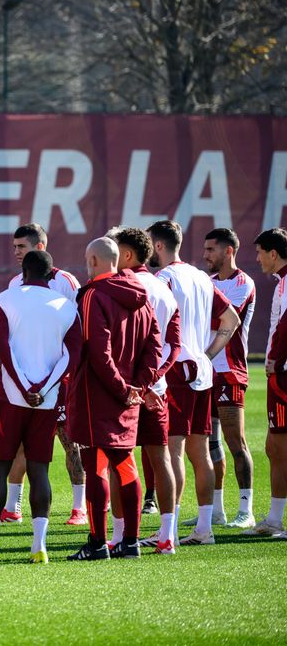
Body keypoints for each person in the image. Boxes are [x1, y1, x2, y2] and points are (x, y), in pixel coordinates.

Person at [0, 250, 81, 565]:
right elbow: (72, 355)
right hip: (47, 400)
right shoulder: (67, 306)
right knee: (40, 471)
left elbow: (1, 348)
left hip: (11, 397)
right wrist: (44, 386)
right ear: (53, 276)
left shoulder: (6, 299)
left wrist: (24, 386)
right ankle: (39, 547)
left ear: (22, 272)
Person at [66, 237, 162, 561]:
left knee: (97, 466)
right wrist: (139, 387)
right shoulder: (142, 294)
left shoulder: (94, 295)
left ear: (93, 260)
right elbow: (155, 346)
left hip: (99, 393)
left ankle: (97, 543)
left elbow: (98, 353)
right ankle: (130, 542)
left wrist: (124, 389)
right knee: (126, 464)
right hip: (128, 395)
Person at [148, 220, 239, 546]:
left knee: (171, 451)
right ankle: (204, 528)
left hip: (175, 371)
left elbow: (156, 329)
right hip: (201, 370)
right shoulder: (201, 277)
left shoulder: (164, 278)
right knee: (200, 450)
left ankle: (167, 531)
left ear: (158, 246)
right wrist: (207, 353)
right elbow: (231, 320)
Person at [5, 223, 86, 527]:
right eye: (14, 247)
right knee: (22, 445)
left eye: (21, 247)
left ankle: (79, 507)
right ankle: (13, 506)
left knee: (71, 442)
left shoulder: (65, 281)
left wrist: (69, 371)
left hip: (60, 378)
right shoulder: (14, 284)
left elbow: (77, 328)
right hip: (24, 378)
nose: (16, 252)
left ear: (40, 247)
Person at [107, 226, 181, 554]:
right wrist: (153, 382)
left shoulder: (119, 286)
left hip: (123, 391)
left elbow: (113, 343)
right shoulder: (163, 289)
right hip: (156, 389)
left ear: (127, 254)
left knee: (118, 461)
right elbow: (173, 346)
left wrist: (133, 386)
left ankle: (122, 534)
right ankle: (168, 534)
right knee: (160, 457)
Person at [200, 228, 256, 528]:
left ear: (228, 252)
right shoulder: (208, 282)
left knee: (237, 442)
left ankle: (246, 510)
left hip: (229, 370)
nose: (205, 255)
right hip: (206, 372)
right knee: (210, 443)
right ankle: (217, 509)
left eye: (211, 250)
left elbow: (223, 318)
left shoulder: (242, 283)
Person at [244, 228, 287, 538]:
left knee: (279, 445)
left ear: (274, 253)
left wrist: (274, 357)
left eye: (260, 252)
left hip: (283, 374)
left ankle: (275, 519)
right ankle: (274, 517)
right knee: (274, 445)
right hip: (281, 371)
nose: (257, 258)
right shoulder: (282, 282)